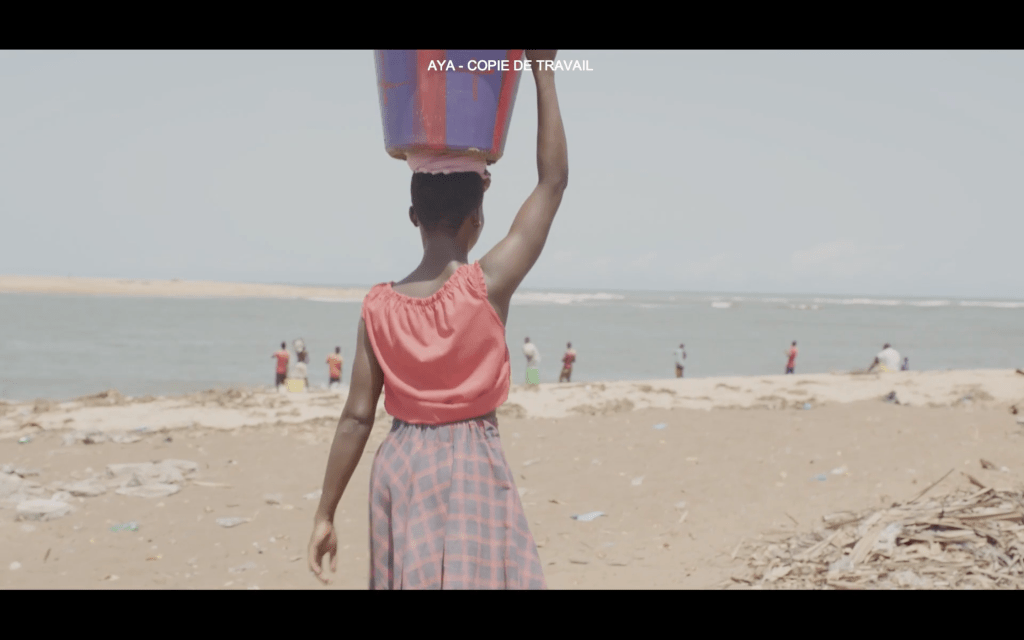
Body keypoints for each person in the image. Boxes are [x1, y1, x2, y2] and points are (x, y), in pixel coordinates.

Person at [307, 50, 564, 590]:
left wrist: (325, 513)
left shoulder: (378, 307)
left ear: (413, 216)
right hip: (473, 466)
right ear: (478, 219)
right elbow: (552, 183)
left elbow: (356, 417)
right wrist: (543, 69)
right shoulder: (487, 286)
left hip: (400, 469)